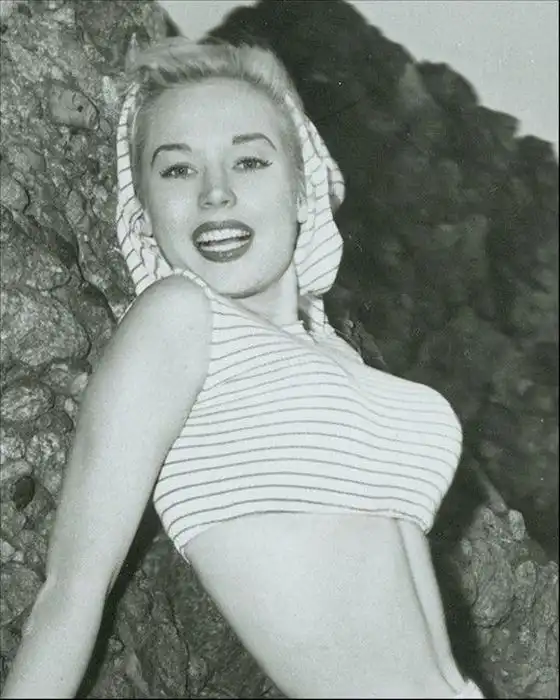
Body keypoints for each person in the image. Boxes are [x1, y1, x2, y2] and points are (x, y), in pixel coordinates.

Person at [2, 38, 486, 699]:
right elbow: (74, 587)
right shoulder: (178, 317)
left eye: (250, 160)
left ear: (302, 188)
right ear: (143, 212)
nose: (215, 194)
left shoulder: (334, 352)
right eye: (178, 170)